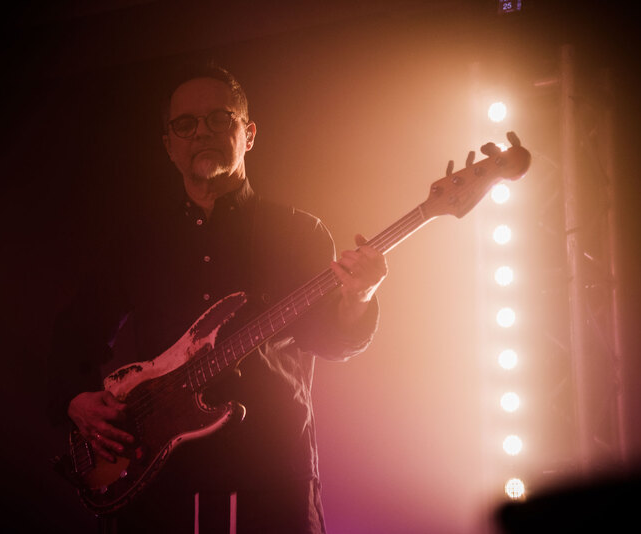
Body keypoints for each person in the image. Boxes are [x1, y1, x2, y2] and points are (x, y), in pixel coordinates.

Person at [48, 63, 387, 533]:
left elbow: (328, 340)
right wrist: (75, 399)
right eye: (185, 124)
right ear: (169, 146)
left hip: (269, 472)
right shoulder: (140, 241)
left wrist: (360, 296)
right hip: (159, 479)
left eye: (218, 119)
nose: (201, 132)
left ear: (249, 134)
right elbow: (75, 331)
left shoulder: (297, 232)